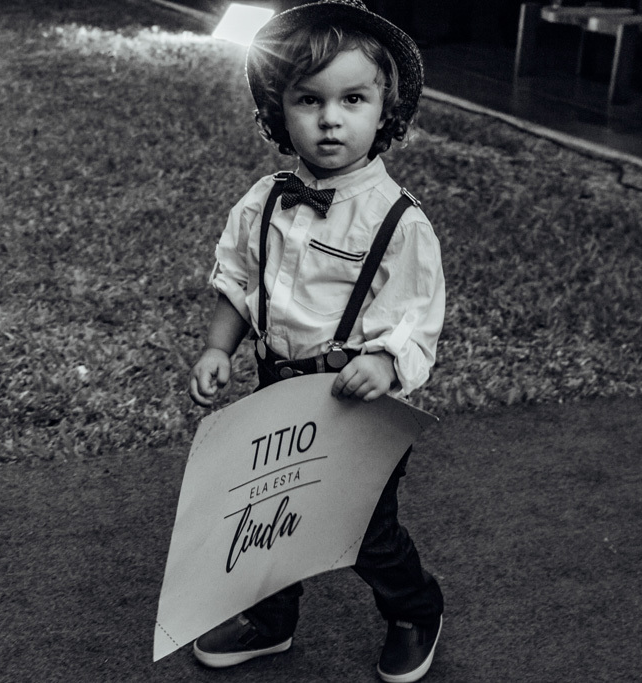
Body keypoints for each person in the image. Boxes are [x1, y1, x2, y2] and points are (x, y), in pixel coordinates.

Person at [187, 2, 446, 681]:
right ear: (279, 111)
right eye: (309, 99)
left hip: (354, 401)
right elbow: (239, 280)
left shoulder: (398, 220)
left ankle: (416, 608)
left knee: (363, 528)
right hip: (278, 386)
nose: (331, 118)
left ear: (384, 110)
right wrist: (220, 347)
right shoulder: (263, 201)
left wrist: (387, 362)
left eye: (353, 98)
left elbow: (415, 312)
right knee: (266, 512)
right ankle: (272, 620)